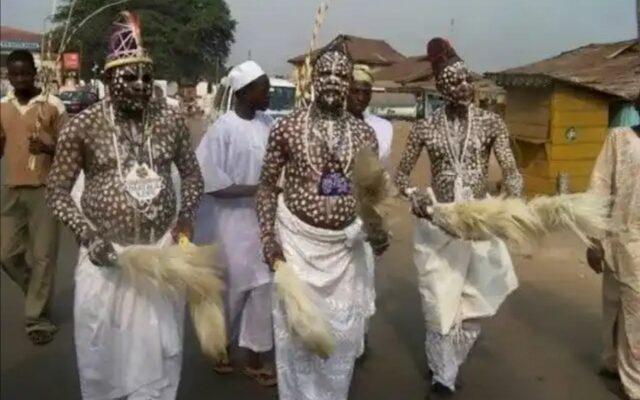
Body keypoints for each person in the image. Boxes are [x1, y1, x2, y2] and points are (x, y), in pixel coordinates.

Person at [46, 12, 203, 400]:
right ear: (107, 81)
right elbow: (57, 192)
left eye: (146, 77)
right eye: (129, 77)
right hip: (108, 266)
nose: (140, 85)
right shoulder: (82, 127)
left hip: (161, 260)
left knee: (161, 363)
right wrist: (88, 235)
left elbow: (193, 176)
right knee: (105, 361)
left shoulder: (170, 122)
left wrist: (186, 216)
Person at [256, 48, 389, 400]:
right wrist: (269, 238)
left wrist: (377, 230)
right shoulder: (286, 128)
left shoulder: (364, 135)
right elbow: (268, 186)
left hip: (345, 251)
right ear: (313, 80)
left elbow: (370, 193)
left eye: (341, 76)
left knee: (341, 339)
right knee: (297, 336)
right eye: (326, 74)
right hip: (298, 246)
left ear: (348, 83)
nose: (333, 81)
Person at [394, 38, 523, 396]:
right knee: (438, 302)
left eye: (467, 79)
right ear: (440, 88)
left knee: (478, 301)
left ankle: (448, 365)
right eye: (454, 82)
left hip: (480, 222)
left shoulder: (491, 123)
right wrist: (414, 195)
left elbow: (511, 171)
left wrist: (512, 198)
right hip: (439, 223)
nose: (463, 86)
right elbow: (400, 177)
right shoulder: (425, 127)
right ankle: (443, 378)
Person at [195, 60, 276, 386]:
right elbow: (210, 182)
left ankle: (256, 354)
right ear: (244, 93)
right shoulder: (222, 129)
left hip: (264, 223)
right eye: (263, 89)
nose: (268, 95)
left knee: (264, 288)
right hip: (230, 225)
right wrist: (259, 189)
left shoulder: (268, 123)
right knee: (232, 290)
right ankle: (220, 346)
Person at [0, 49, 68, 345]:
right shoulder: (1, 106)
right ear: (8, 75)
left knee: (43, 257)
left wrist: (48, 148)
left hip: (45, 190)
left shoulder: (53, 105)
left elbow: (69, 151)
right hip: (11, 189)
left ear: (35, 72)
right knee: (6, 254)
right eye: (14, 74)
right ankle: (36, 294)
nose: (20, 79)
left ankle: (37, 319)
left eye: (25, 73)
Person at [587, 90, 640, 400]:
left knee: (633, 311)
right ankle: (618, 368)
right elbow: (599, 188)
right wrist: (594, 240)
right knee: (614, 304)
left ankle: (630, 380)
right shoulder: (619, 140)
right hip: (618, 237)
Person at [347, 63, 395, 359]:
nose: (360, 96)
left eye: (365, 91)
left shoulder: (382, 128)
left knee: (363, 279)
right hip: (334, 214)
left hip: (365, 214)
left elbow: (380, 181)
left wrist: (379, 224)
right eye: (355, 89)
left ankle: (358, 340)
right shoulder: (332, 124)